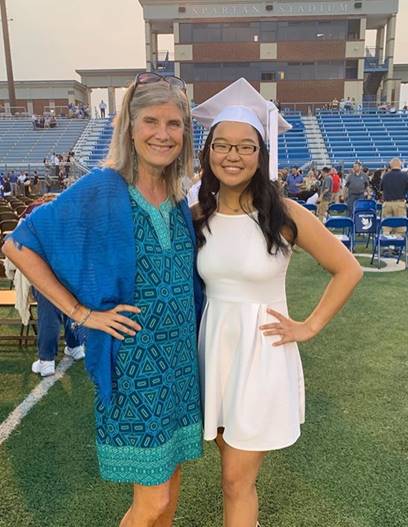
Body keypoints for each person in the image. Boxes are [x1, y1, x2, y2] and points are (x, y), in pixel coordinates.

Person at [3, 72, 203, 527]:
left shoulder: (176, 196)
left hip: (179, 366)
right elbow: (18, 243)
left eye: (174, 124)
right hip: (133, 367)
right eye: (151, 121)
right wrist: (80, 314)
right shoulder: (101, 188)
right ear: (130, 127)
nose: (163, 134)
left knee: (169, 495)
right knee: (150, 503)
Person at [191, 78, 363, 527]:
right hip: (215, 352)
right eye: (223, 145)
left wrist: (308, 326)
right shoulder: (197, 214)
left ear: (261, 155)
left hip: (262, 356)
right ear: (209, 152)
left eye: (246, 146)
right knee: (231, 472)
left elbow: (348, 269)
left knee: (235, 481)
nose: (233, 155)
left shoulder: (285, 214)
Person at [380, 158, 408, 234]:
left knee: (386, 227)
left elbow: (381, 189)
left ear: (391, 165)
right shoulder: (405, 176)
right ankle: (397, 244)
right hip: (400, 204)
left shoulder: (385, 176)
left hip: (387, 204)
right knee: (400, 227)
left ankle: (387, 244)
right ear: (400, 165)